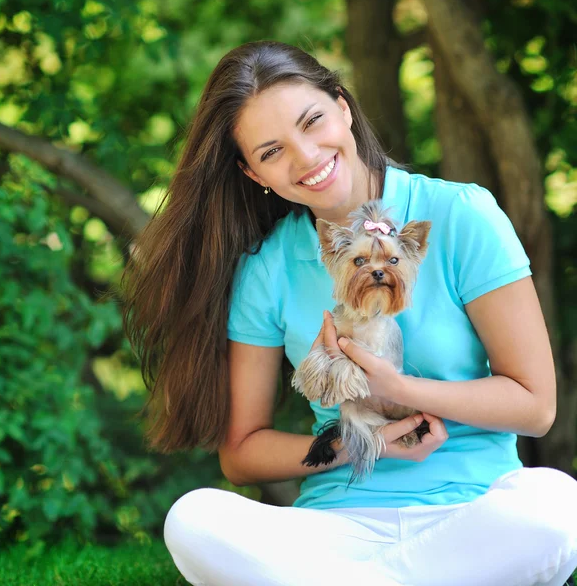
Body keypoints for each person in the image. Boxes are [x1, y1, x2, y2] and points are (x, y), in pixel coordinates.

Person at [122, 41, 577, 586]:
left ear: (343, 106)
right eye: (272, 152)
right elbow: (242, 453)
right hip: (338, 529)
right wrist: (368, 443)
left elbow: (536, 405)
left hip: (472, 514)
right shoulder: (267, 267)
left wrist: (400, 388)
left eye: (312, 121)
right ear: (252, 174)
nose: (306, 157)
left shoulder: (462, 215)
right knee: (194, 518)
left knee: (556, 505)